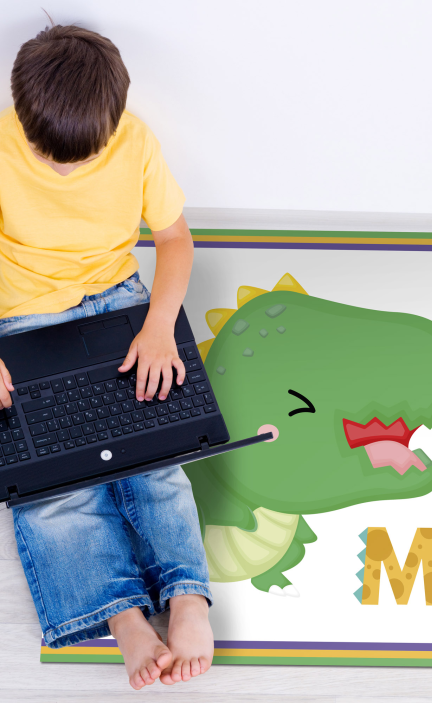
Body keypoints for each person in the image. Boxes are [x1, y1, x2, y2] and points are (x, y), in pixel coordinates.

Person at [0, 19, 214, 690]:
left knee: (156, 457)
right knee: (53, 485)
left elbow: (174, 239)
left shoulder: (135, 141)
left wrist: (159, 325)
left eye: (81, 158)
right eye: (48, 157)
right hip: (23, 318)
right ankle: (122, 617)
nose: (64, 170)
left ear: (113, 122)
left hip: (119, 304)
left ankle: (186, 596)